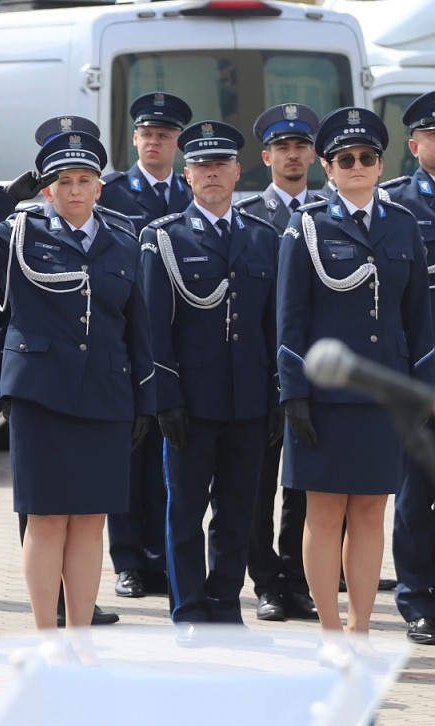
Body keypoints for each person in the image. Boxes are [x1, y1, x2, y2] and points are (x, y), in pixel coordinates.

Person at [0, 128, 154, 634]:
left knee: (90, 520)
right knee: (46, 519)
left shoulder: (125, 241)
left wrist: (146, 400)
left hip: (105, 395)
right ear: (48, 188)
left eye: (84, 180)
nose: (75, 190)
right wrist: (5, 198)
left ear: (99, 186)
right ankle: (46, 636)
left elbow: (137, 328)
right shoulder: (20, 232)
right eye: (64, 181)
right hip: (40, 395)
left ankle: (79, 636)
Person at [276, 106, 435, 640]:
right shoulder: (307, 226)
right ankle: (329, 631)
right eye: (346, 159)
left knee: (369, 513)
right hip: (324, 397)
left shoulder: (402, 224)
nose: (358, 166)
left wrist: (419, 391)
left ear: (381, 163)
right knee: (324, 514)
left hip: (382, 394)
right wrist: (294, 392)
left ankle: (360, 629)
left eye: (367, 157)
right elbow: (289, 318)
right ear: (328, 167)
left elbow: (419, 322)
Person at [140, 121, 280, 637]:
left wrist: (277, 395)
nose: (212, 173)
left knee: (237, 512)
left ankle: (225, 605)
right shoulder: (164, 238)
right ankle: (189, 610)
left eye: (221, 164)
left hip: (248, 399)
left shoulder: (263, 237)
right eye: (201, 165)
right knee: (185, 512)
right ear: (187, 174)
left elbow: (273, 326)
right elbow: (153, 329)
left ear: (238, 171)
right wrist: (165, 399)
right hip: (191, 403)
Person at [98, 90, 193, 600]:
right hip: (126, 340)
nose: (154, 142)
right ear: (134, 140)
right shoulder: (112, 193)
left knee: (168, 457)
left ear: (177, 142)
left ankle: (161, 557)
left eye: (164, 135)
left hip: (179, 344)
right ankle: (128, 560)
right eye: (147, 134)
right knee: (128, 458)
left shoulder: (192, 191)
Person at [236, 103, 322, 623]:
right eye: (282, 147)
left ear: (313, 155)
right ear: (265, 157)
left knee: (304, 486)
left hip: (317, 374)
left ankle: (297, 580)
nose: (292, 155)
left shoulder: (331, 212)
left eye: (300, 146)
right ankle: (266, 582)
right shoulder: (249, 218)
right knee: (257, 485)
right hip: (262, 373)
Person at [381, 90, 435, 645]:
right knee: (415, 493)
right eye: (433, 135)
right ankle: (419, 598)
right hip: (419, 374)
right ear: (414, 145)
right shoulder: (397, 207)